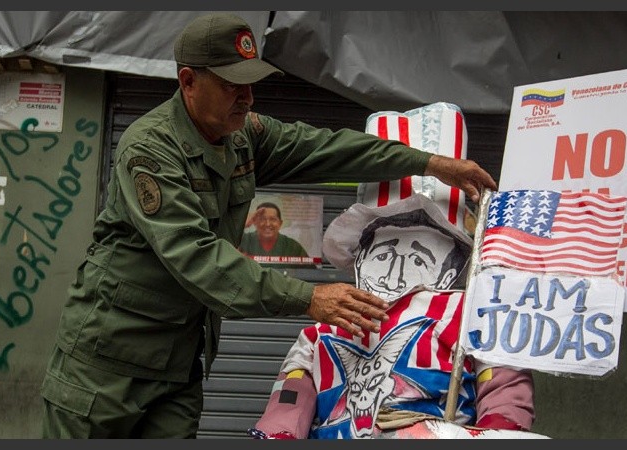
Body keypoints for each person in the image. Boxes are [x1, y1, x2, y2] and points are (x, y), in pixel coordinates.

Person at [40, 12, 497, 439]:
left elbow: (328, 149)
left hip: (177, 366)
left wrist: (430, 163)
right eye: (232, 86)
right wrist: (309, 298)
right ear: (188, 82)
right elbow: (197, 257)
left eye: (251, 84)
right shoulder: (150, 149)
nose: (247, 98)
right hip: (107, 363)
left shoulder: (241, 136)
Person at [249, 195, 536, 439]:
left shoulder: (469, 315)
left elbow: (503, 387)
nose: (393, 275)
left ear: (450, 271)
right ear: (360, 259)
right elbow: (291, 395)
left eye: (418, 260)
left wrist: (496, 431)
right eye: (384, 256)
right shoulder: (322, 332)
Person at [239, 202, 309, 258]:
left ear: (280, 223)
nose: (268, 224)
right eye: (262, 219)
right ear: (255, 222)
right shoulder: (242, 240)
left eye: (273, 219)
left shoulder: (292, 246)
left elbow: (309, 270)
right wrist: (243, 224)